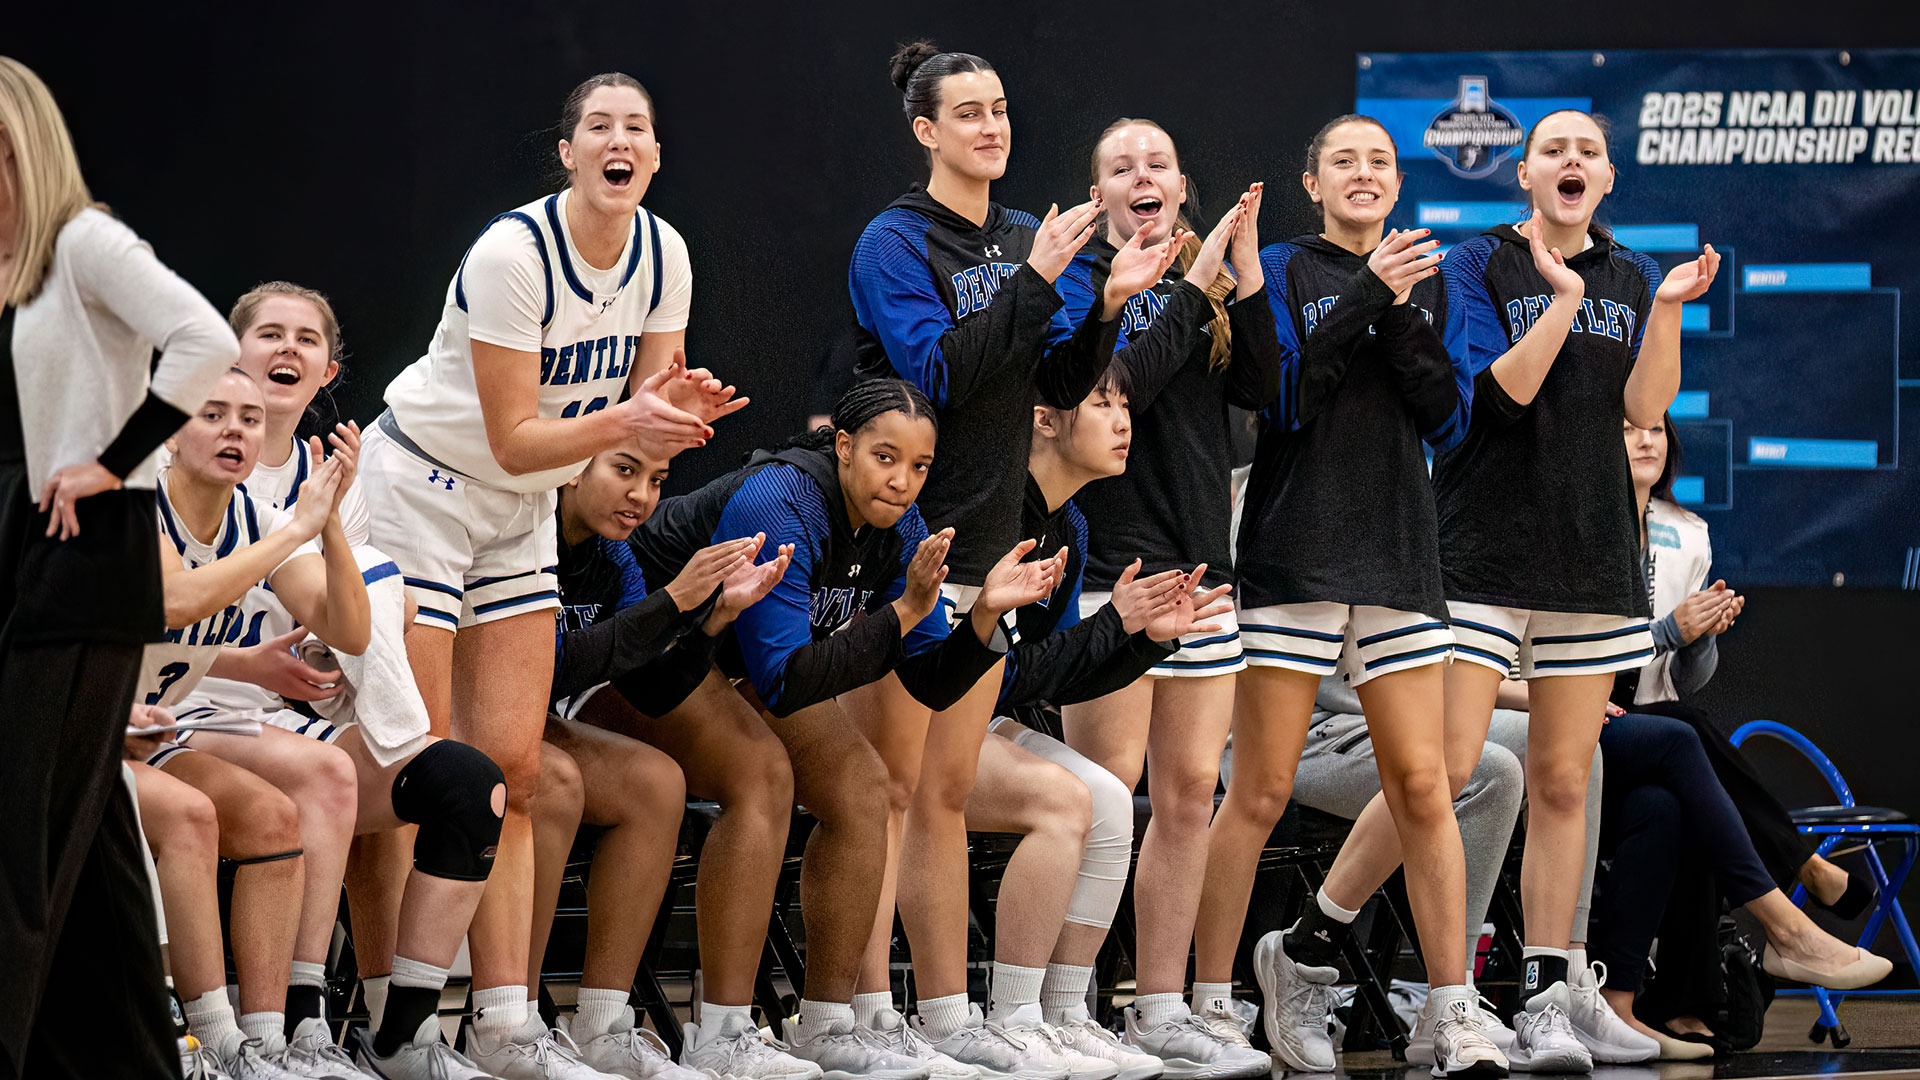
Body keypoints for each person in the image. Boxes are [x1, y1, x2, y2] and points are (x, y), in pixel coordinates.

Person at [358, 71, 743, 1073]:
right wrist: (631, 419)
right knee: (432, 770)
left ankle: (502, 1023)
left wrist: (677, 405)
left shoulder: (667, 253)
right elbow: (516, 435)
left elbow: (650, 407)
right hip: (425, 492)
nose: (620, 141)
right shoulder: (511, 254)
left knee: (516, 771)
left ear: (655, 158)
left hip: (518, 506)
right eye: (599, 127)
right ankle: (398, 1024)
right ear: (568, 153)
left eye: (639, 129)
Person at [847, 43, 1175, 1072]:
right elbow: (934, 375)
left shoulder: (1037, 234)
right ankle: (857, 1017)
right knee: (892, 793)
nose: (992, 128)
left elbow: (1062, 377)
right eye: (969, 113)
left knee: (939, 795)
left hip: (993, 544)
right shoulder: (895, 241)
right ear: (926, 131)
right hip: (913, 545)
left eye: (999, 111)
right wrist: (1033, 285)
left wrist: (1110, 301)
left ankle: (954, 1021)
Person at [628, 378, 1059, 1080]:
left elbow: (929, 680)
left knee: (864, 787)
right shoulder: (780, 498)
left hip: (737, 662)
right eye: (886, 458)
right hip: (653, 653)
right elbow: (784, 680)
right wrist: (901, 615)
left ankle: (826, 1024)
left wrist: (983, 618)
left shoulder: (903, 530)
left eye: (920, 467)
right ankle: (723, 1033)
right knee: (759, 774)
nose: (902, 481)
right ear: (846, 446)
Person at [1435, 107, 1719, 1073]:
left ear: (1606, 180)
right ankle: (1388, 970)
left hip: (1590, 555)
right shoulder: (1478, 264)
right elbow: (1501, 393)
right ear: (1524, 173)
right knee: (1447, 769)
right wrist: (1558, 300)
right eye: (1552, 149)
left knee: (1564, 781)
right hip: (1482, 548)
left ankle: (1548, 997)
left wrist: (1670, 308)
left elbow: (1644, 407)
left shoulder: (1635, 276)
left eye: (1586, 152)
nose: (1569, 161)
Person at [1219, 114, 1502, 1078]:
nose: (1365, 173)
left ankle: (1451, 1009)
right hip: (1298, 552)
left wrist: (1397, 303)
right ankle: (1215, 1005)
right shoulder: (1292, 270)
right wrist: (1367, 296)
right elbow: (1285, 400)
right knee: (1256, 790)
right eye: (1344, 159)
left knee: (1428, 784)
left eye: (1380, 161)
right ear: (1311, 181)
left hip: (1396, 557)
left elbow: (1452, 419)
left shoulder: (1428, 277)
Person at [178, 285, 517, 1079]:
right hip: (195, 707)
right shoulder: (180, 465)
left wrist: (327, 525)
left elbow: (347, 625)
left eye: (306, 339)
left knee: (474, 788)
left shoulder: (330, 475)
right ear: (229, 356)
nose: (287, 350)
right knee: (318, 777)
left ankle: (400, 1037)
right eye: (269, 334)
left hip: (291, 714)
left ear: (330, 370)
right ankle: (288, 1023)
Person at [0, 55, 238, 1079]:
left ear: (23, 145)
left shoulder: (83, 241)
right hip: (23, 551)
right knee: (87, 839)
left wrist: (112, 458)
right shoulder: (14, 265)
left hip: (80, 557)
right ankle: (130, 1059)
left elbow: (204, 337)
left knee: (14, 839)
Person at [1049, 118, 1278, 1078]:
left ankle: (1162, 1008)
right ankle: (1064, 1006)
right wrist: (1182, 284)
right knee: (1109, 798)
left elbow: (1268, 391)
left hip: (1202, 572)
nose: (1141, 177)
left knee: (1190, 794)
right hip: (1112, 571)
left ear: (1184, 185)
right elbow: (1122, 383)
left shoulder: (1213, 287)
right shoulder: (1082, 288)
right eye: (1119, 167)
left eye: (1156, 164)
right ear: (1098, 193)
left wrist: (1249, 271)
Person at [1586, 416, 1889, 1058]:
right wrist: (1668, 629)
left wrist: (1702, 638)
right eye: (1628, 428)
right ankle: (1797, 885)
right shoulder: (1577, 526)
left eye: (1657, 430)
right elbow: (1585, 662)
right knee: (1687, 737)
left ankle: (1669, 1008)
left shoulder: (1686, 532)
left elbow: (1687, 680)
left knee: (1675, 797)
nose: (1646, 440)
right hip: (1585, 731)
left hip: (1652, 738)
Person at [528, 440, 789, 1080]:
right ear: (569, 471)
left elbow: (649, 688)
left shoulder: (615, 558)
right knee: (555, 782)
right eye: (625, 471)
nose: (642, 495)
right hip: (470, 716)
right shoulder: (522, 535)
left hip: (539, 719)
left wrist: (712, 619)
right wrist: (671, 602)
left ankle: (601, 1024)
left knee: (656, 781)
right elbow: (540, 666)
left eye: (656, 480)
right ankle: (512, 1018)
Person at [137, 366, 371, 1078]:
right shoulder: (133, 504)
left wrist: (328, 525)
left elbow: (351, 631)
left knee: (273, 818)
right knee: (190, 816)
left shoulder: (258, 523)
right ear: (171, 433)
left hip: (149, 728)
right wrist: (295, 529)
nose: (236, 429)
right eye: (212, 414)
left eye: (248, 418)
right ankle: (208, 1044)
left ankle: (266, 1042)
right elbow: (176, 601)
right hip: (63, 733)